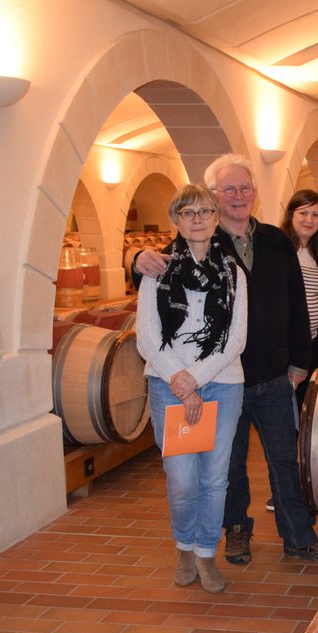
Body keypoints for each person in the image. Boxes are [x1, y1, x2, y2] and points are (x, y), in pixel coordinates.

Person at [131, 154, 318, 566]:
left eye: (245, 188)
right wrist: (135, 259)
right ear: (212, 198)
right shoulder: (198, 244)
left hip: (274, 375)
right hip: (223, 380)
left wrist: (300, 361)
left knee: (285, 460)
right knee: (227, 467)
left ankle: (299, 537)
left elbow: (298, 305)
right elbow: (152, 267)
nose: (238, 196)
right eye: (228, 189)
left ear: (256, 194)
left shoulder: (276, 240)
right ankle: (237, 533)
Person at [136, 183, 248, 593]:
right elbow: (146, 338)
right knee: (182, 478)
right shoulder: (157, 271)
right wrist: (181, 383)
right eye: (188, 213)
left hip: (222, 385)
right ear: (176, 221)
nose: (197, 220)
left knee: (215, 478)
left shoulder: (234, 273)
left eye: (205, 212)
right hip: (169, 386)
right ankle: (183, 546)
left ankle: (205, 553)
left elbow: (236, 339)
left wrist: (195, 379)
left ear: (217, 219)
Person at [281, 189, 318, 409]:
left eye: (315, 215)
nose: (309, 220)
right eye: (303, 213)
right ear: (291, 215)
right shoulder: (281, 249)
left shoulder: (315, 252)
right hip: (288, 343)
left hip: (310, 341)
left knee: (302, 406)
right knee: (284, 408)